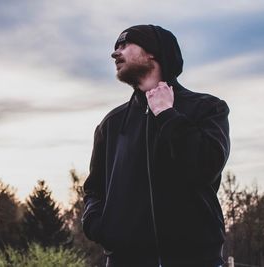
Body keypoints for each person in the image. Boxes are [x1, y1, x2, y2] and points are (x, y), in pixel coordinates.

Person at [81, 24, 230, 267]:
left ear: (153, 52)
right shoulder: (111, 124)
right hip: (125, 260)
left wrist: (166, 114)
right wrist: (99, 226)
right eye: (115, 47)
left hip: (197, 259)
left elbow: (206, 166)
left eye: (125, 44)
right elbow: (94, 190)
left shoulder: (207, 108)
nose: (115, 53)